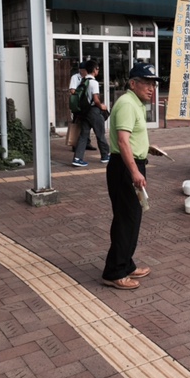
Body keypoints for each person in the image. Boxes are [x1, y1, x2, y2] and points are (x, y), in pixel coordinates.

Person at [102, 63, 164, 290]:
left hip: (130, 164)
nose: (151, 88)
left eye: (153, 84)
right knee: (126, 220)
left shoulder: (134, 103)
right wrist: (135, 171)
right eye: (146, 83)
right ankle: (114, 272)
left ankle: (126, 264)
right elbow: (122, 142)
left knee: (132, 218)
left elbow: (131, 139)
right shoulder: (128, 104)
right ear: (133, 83)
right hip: (125, 169)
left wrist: (147, 147)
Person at [72, 60, 110, 166]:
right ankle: (105, 155)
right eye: (97, 69)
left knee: (83, 135)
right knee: (100, 133)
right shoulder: (94, 82)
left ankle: (77, 158)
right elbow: (96, 99)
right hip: (93, 111)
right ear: (94, 70)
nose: (98, 71)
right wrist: (102, 106)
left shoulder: (83, 81)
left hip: (84, 112)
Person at [68, 61, 96, 151]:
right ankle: (74, 144)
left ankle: (87, 143)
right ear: (80, 70)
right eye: (83, 70)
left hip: (86, 105)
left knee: (86, 124)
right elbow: (72, 90)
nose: (85, 72)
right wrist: (81, 93)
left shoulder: (88, 79)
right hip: (78, 105)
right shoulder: (75, 77)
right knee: (77, 124)